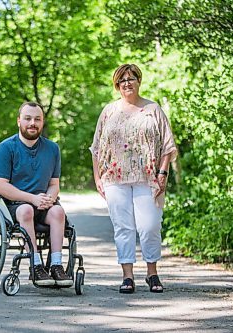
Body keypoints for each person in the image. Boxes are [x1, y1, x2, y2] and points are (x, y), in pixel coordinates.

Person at [90, 64, 177, 294]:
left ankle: (152, 272)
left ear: (139, 81)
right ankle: (127, 276)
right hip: (114, 178)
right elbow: (97, 148)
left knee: (149, 226)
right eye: (122, 80)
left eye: (131, 78)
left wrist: (163, 172)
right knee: (123, 228)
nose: (127, 83)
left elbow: (168, 145)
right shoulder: (109, 111)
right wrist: (97, 177)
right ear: (117, 85)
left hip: (148, 177)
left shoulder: (152, 109)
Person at [0, 101, 72, 287]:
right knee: (27, 210)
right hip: (17, 203)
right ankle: (35, 266)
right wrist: (32, 198)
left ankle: (56, 265)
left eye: (37, 119)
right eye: (27, 118)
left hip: (43, 202)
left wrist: (50, 198)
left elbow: (54, 184)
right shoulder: (6, 148)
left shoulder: (52, 149)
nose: (32, 123)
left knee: (58, 212)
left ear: (43, 122)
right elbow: (0, 187)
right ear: (19, 121)